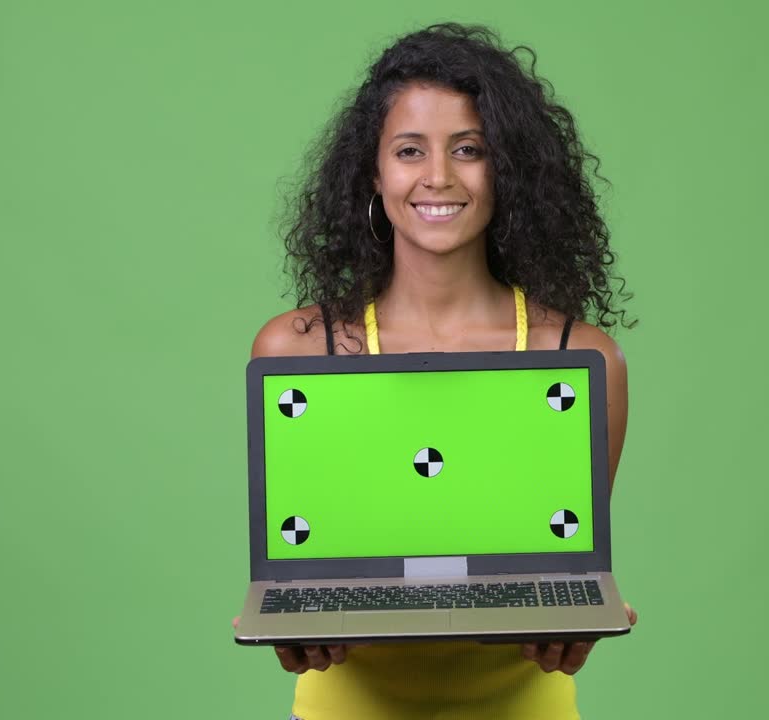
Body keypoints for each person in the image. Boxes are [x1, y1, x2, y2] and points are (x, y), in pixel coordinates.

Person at [236, 23, 636, 719]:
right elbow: (304, 562)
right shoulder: (294, 351)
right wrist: (294, 622)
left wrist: (579, 623)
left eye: (469, 150)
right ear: (375, 171)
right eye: (409, 150)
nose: (438, 178)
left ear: (504, 168)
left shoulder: (580, 359)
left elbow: (567, 563)